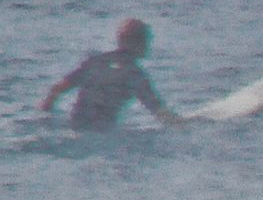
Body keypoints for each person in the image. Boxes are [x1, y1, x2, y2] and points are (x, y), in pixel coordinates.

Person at [40, 19, 179, 130]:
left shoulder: (94, 62)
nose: (148, 45)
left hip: (75, 126)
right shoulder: (134, 74)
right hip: (102, 132)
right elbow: (159, 112)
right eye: (147, 40)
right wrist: (184, 126)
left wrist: (45, 111)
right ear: (137, 43)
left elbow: (56, 89)